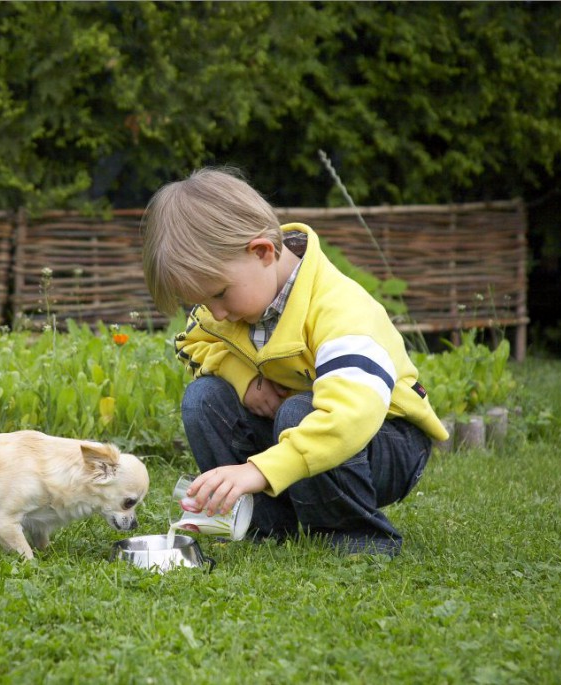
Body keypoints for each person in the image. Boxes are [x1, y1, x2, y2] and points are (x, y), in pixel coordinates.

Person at [141, 167, 449, 556]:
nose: (216, 314)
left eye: (220, 295)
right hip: (299, 432)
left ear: (262, 252)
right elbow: (192, 343)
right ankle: (266, 526)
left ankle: (355, 537)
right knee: (203, 398)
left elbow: (350, 416)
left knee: (299, 411)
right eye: (203, 302)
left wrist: (257, 470)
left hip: (385, 440)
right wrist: (244, 380)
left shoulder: (340, 309)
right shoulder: (228, 309)